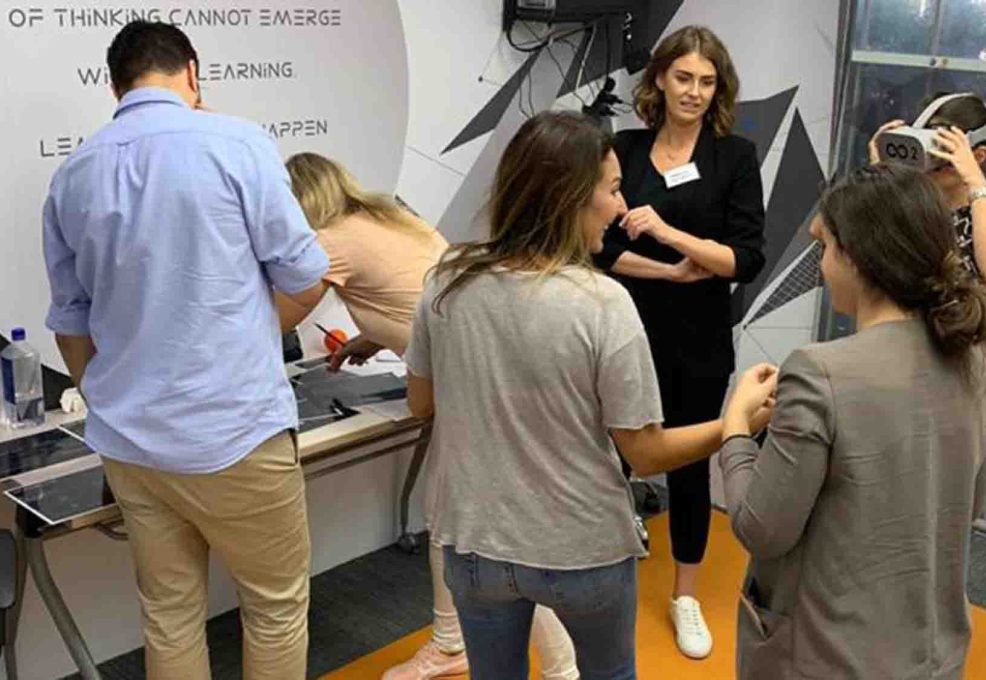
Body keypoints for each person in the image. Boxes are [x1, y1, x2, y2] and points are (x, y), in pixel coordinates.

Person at [403, 110, 774, 680]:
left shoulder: (446, 279)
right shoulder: (602, 303)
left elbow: (421, 406)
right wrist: (736, 422)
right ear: (571, 196)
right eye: (613, 189)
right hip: (580, 550)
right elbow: (646, 454)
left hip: (472, 543)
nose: (622, 207)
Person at [42, 21, 329, 680]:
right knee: (276, 606)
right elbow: (308, 278)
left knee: (168, 614)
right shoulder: (239, 143)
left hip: (132, 442)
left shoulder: (73, 175)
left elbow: (70, 324)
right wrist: (251, 336)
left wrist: (108, 399)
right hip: (236, 431)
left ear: (114, 87)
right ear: (193, 74)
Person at [283, 152, 578, 680]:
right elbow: (422, 293)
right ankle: (449, 643)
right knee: (448, 521)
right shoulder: (388, 217)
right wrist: (371, 336)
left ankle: (561, 670)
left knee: (495, 539)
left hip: (472, 383)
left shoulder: (328, 243)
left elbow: (275, 318)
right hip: (491, 366)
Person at [721, 163, 986, 679]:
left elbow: (761, 528)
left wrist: (736, 427)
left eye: (824, 248)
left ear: (858, 257)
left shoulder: (820, 372)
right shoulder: (973, 358)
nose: (821, 265)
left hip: (826, 658)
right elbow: (969, 498)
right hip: (933, 655)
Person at [591, 25, 766, 659]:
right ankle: (601, 573)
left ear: (719, 89)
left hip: (697, 337)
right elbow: (600, 249)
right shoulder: (624, 149)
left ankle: (685, 593)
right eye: (684, 77)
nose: (693, 91)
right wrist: (665, 269)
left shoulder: (734, 156)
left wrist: (670, 234)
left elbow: (745, 259)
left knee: (689, 461)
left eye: (707, 81)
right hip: (619, 328)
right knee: (605, 455)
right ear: (660, 78)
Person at [281, 153, 447, 369]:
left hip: (443, 359)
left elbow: (274, 324)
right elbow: (411, 288)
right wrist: (376, 338)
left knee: (421, 404)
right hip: (469, 337)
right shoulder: (396, 217)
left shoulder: (328, 242)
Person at [869, 92, 986, 279]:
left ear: (978, 156)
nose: (932, 159)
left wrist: (976, 181)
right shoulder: (909, 207)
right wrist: (881, 175)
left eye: (944, 148)